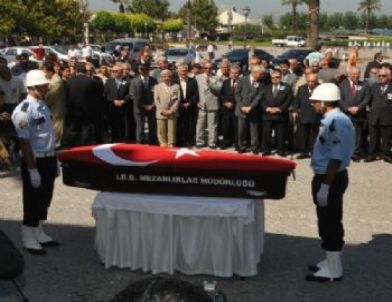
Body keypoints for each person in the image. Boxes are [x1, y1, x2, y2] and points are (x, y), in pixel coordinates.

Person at [306, 83, 355, 283]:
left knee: (330, 222)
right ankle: (330, 260)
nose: (313, 104)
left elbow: (336, 157)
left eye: (315, 101)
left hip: (330, 176)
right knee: (326, 219)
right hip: (328, 175)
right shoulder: (332, 119)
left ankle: (334, 270)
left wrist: (325, 186)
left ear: (325, 102)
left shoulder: (337, 122)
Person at [11, 69, 59, 255]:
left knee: (45, 197)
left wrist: (53, 159)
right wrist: (32, 169)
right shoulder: (24, 111)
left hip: (48, 158)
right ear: (32, 88)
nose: (47, 88)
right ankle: (28, 236)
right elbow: (24, 142)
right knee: (32, 199)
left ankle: (38, 231)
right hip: (35, 161)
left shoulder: (42, 104)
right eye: (43, 86)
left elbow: (47, 134)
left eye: (46, 85)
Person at [62, 62, 105, 147]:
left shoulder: (70, 81)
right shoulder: (92, 82)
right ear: (85, 71)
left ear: (76, 70)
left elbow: (65, 96)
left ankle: (70, 146)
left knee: (72, 129)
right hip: (87, 110)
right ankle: (85, 146)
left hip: (73, 110)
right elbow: (97, 98)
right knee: (86, 130)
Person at [339, 67, 370, 161]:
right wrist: (348, 108)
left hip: (359, 113)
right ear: (349, 74)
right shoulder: (342, 84)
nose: (355, 75)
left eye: (357, 74)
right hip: (346, 113)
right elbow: (339, 99)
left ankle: (355, 153)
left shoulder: (364, 84)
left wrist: (358, 107)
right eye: (353, 74)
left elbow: (367, 98)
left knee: (358, 135)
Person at [261, 69, 294, 156]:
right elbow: (262, 100)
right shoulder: (266, 88)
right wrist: (267, 108)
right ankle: (266, 150)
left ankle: (281, 150)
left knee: (281, 134)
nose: (275, 79)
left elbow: (289, 99)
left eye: (277, 77)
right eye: (273, 78)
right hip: (268, 114)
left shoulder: (287, 87)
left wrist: (280, 109)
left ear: (281, 77)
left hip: (281, 114)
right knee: (267, 133)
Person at [365, 67, 392, 163]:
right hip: (374, 116)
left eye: (383, 76)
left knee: (386, 138)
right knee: (373, 137)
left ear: (389, 76)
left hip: (387, 117)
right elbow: (368, 100)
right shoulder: (374, 86)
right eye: (379, 75)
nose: (381, 77)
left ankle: (386, 154)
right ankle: (371, 154)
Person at [235, 65, 264, 154]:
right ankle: (242, 146)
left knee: (254, 130)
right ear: (254, 73)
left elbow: (260, 96)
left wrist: (251, 106)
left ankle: (254, 147)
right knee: (241, 130)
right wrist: (242, 106)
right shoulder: (242, 80)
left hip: (253, 110)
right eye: (261, 74)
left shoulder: (261, 83)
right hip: (241, 110)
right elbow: (237, 94)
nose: (262, 76)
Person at [292, 72, 321, 159]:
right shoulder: (301, 88)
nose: (311, 83)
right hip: (304, 115)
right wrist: (295, 110)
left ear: (316, 81)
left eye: (313, 81)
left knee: (315, 135)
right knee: (303, 134)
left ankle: (314, 151)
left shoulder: (321, 88)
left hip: (316, 115)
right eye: (309, 81)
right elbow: (296, 101)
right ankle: (304, 151)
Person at [195, 61, 222, 149]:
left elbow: (218, 89)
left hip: (213, 104)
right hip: (201, 104)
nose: (208, 70)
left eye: (210, 68)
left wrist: (209, 82)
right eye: (206, 68)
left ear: (213, 69)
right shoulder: (197, 77)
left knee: (212, 125)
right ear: (203, 68)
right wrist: (196, 102)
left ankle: (212, 142)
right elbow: (195, 91)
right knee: (200, 124)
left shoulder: (217, 78)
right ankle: (199, 141)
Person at [129, 63, 158, 145]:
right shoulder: (134, 81)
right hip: (139, 108)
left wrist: (152, 105)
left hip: (152, 107)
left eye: (146, 69)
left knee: (153, 127)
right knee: (140, 127)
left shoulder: (154, 80)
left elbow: (157, 94)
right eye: (142, 69)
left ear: (149, 71)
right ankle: (140, 143)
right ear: (139, 70)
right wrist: (143, 106)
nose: (144, 71)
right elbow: (132, 95)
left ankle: (153, 143)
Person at [154, 70, 181, 147]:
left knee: (172, 130)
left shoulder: (176, 86)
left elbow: (178, 100)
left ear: (171, 77)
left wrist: (171, 111)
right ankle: (162, 142)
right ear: (161, 77)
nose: (166, 78)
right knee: (161, 129)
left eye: (168, 76)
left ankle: (171, 143)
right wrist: (162, 110)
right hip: (161, 113)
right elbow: (156, 100)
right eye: (164, 76)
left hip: (172, 113)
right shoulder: (157, 87)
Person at [104, 65, 131, 143]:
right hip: (113, 107)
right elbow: (106, 93)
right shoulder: (109, 81)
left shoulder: (128, 81)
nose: (114, 73)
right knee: (114, 124)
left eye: (116, 71)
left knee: (125, 125)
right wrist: (113, 101)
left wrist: (124, 101)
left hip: (124, 107)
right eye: (113, 71)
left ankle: (125, 140)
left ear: (121, 72)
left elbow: (130, 93)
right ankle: (115, 140)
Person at [43, 61, 66, 146]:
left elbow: (51, 97)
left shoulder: (56, 81)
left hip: (56, 110)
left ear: (50, 71)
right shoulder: (53, 80)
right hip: (53, 110)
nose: (44, 74)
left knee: (56, 130)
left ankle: (56, 145)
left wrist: (42, 100)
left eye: (45, 72)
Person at [176, 64, 199, 147]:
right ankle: (180, 141)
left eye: (185, 71)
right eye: (181, 71)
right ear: (178, 71)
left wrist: (189, 103)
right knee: (179, 125)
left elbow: (196, 95)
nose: (183, 73)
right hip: (178, 107)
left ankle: (189, 141)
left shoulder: (193, 81)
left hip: (190, 107)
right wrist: (180, 104)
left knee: (190, 125)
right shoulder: (174, 81)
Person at [220, 64, 241, 149]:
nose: (234, 75)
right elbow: (221, 94)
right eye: (232, 73)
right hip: (226, 108)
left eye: (236, 73)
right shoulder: (225, 82)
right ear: (229, 73)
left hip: (237, 108)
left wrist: (234, 103)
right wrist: (225, 102)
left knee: (237, 127)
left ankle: (237, 143)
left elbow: (242, 95)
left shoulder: (241, 82)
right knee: (226, 126)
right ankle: (226, 142)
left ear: (239, 74)